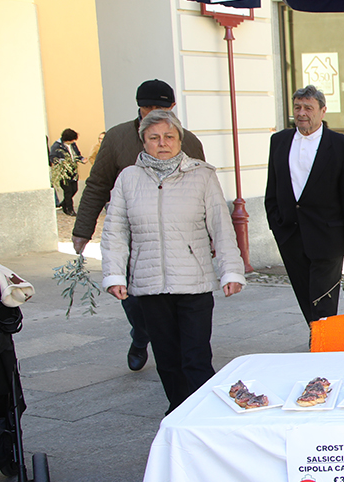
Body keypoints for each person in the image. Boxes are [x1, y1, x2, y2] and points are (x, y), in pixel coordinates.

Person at [100, 110, 244, 414]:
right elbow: (115, 230)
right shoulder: (129, 178)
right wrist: (114, 275)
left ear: (180, 140)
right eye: (154, 138)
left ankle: (206, 415)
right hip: (150, 284)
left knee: (195, 357)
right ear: (143, 142)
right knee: (166, 358)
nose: (162, 143)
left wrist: (231, 270)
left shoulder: (202, 176)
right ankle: (178, 412)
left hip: (194, 283)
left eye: (169, 137)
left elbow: (220, 225)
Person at [72, 79, 207, 373]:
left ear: (172, 108)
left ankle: (173, 346)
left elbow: (202, 190)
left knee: (174, 301)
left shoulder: (190, 141)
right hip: (133, 237)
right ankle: (141, 333)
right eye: (147, 107)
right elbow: (97, 185)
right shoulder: (118, 138)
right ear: (139, 107)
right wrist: (83, 230)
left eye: (160, 107)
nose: (153, 112)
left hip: (176, 237)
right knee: (134, 300)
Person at [265, 85, 344, 325]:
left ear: (322, 111)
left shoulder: (342, 146)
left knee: (323, 296)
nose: (302, 113)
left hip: (327, 233)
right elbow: (273, 185)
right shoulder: (279, 141)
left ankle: (323, 341)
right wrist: (275, 222)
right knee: (303, 293)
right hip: (290, 232)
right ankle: (317, 335)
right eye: (297, 107)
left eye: (308, 108)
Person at [48, 128, 85, 216]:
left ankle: (64, 204)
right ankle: (69, 209)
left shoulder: (73, 145)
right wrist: (61, 161)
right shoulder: (57, 146)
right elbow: (52, 157)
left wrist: (81, 159)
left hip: (73, 171)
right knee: (68, 191)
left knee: (74, 189)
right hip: (64, 172)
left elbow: (77, 154)